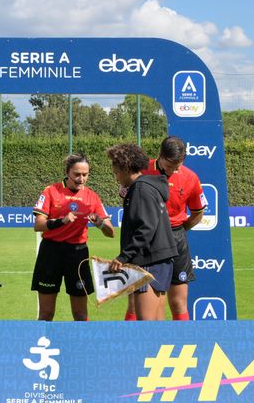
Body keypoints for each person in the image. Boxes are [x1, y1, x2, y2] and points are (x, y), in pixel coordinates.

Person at [124, 136, 205, 321]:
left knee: (178, 302)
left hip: (175, 237)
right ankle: (133, 339)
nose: (173, 171)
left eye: (177, 166)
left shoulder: (190, 177)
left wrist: (177, 232)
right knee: (136, 302)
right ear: (160, 156)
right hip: (145, 240)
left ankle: (183, 339)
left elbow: (198, 212)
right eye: (169, 166)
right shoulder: (141, 171)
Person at [31, 153, 115, 321]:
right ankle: (42, 338)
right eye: (77, 174)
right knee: (46, 314)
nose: (81, 179)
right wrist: (61, 221)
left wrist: (100, 223)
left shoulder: (92, 197)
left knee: (80, 314)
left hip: (78, 255)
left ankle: (81, 340)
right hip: (50, 253)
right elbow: (38, 225)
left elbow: (110, 232)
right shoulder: (51, 191)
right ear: (67, 172)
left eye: (85, 174)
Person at [105, 143, 177, 321]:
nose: (116, 177)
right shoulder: (148, 187)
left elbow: (146, 228)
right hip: (160, 259)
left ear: (125, 168)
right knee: (157, 323)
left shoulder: (140, 189)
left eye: (116, 172)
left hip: (149, 260)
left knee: (146, 325)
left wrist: (123, 257)